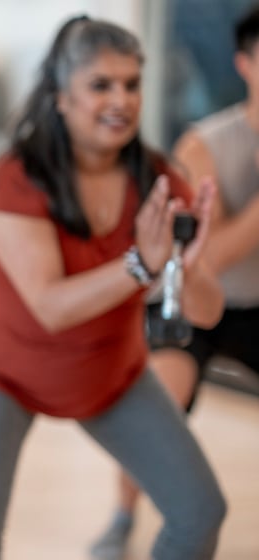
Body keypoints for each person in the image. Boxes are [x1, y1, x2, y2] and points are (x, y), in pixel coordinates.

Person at [0, 16, 228, 560]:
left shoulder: (161, 181)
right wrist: (142, 265)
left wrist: (185, 268)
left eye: (131, 83)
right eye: (101, 85)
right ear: (61, 97)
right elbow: (50, 306)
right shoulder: (15, 177)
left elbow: (208, 311)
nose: (120, 99)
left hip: (107, 371)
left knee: (200, 512)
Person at [90, 5, 259, 558]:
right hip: (193, 303)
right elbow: (205, 256)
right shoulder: (205, 145)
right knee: (157, 400)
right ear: (244, 64)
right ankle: (120, 516)